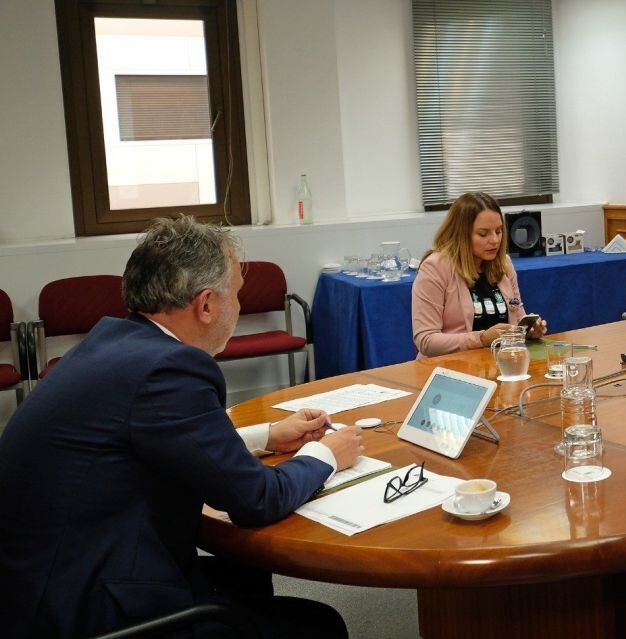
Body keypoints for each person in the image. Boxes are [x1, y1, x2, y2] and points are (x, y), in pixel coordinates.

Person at [0, 217, 363, 638]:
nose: (240, 308)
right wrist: (327, 454)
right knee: (320, 626)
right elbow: (257, 499)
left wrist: (265, 436)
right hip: (85, 609)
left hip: (42, 582)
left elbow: (146, 442)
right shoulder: (168, 369)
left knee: (245, 576)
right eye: (237, 295)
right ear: (206, 304)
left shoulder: (114, 342)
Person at [412, 191, 547, 357]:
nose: (495, 240)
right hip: (451, 369)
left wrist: (529, 330)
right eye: (483, 234)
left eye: (498, 231)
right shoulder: (435, 267)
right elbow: (426, 341)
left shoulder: (504, 264)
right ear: (461, 234)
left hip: (502, 364)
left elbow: (518, 318)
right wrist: (481, 339)